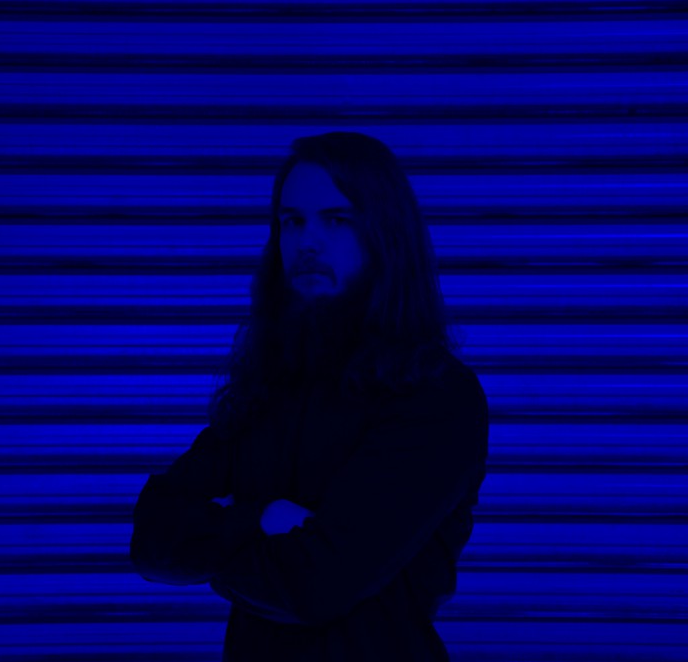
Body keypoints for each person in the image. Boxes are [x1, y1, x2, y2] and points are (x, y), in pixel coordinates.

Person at [129, 131, 489, 661]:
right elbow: (151, 539)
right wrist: (261, 518)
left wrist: (211, 545)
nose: (307, 243)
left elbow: (316, 585)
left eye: (336, 220)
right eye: (292, 222)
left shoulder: (436, 397)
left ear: (385, 236)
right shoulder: (267, 388)